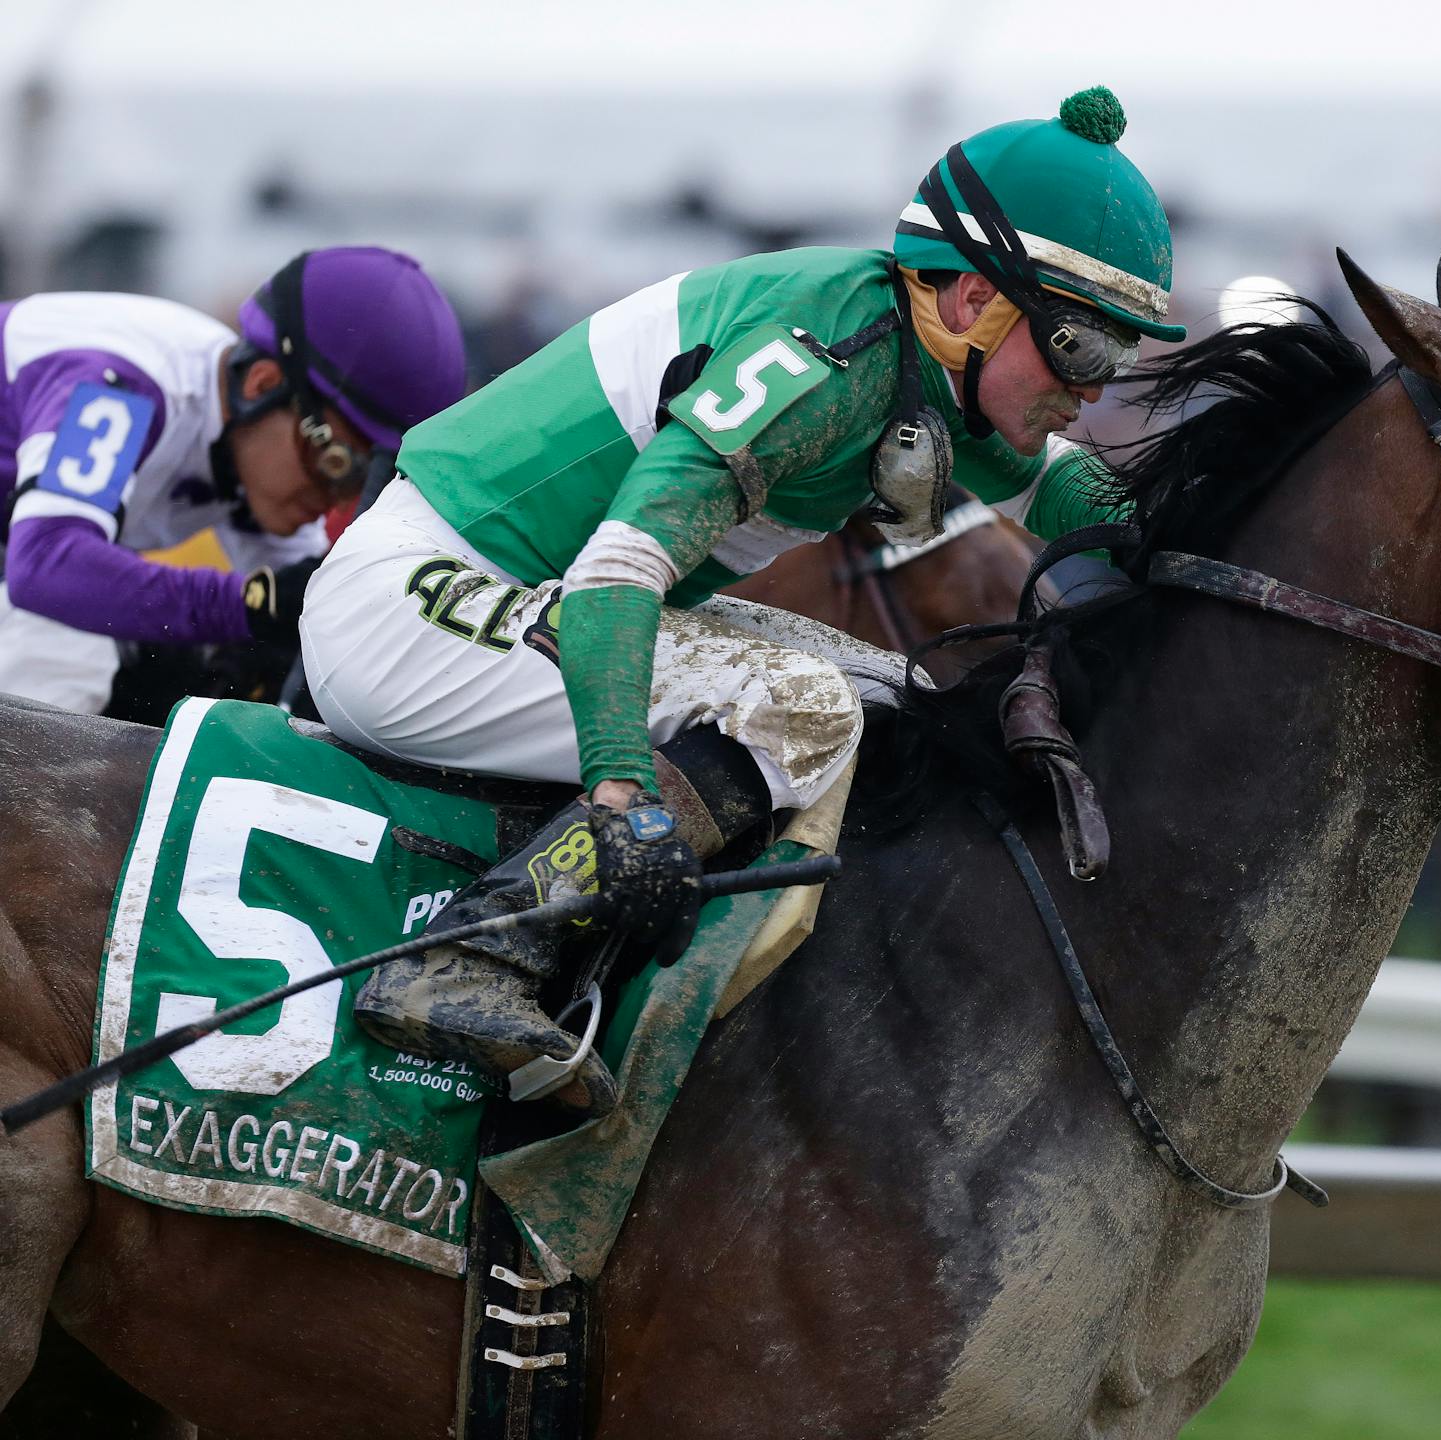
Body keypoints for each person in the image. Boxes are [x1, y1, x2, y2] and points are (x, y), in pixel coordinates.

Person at [303, 88, 1184, 1116]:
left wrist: (1200, 536)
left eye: (1120, 353)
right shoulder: (825, 359)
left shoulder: (928, 365)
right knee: (805, 707)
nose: (1093, 383)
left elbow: (1061, 488)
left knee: (906, 697)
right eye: (1081, 344)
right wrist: (620, 791)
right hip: (417, 600)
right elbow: (618, 575)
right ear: (965, 300)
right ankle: (469, 958)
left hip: (526, 597)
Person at [0, 248, 466, 713]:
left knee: (171, 669)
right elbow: (44, 565)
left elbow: (308, 616)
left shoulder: (253, 439)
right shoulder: (123, 385)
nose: (332, 501)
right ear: (261, 385)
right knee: (66, 649)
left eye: (362, 486)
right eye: (339, 465)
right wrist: (245, 608)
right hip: (29, 566)